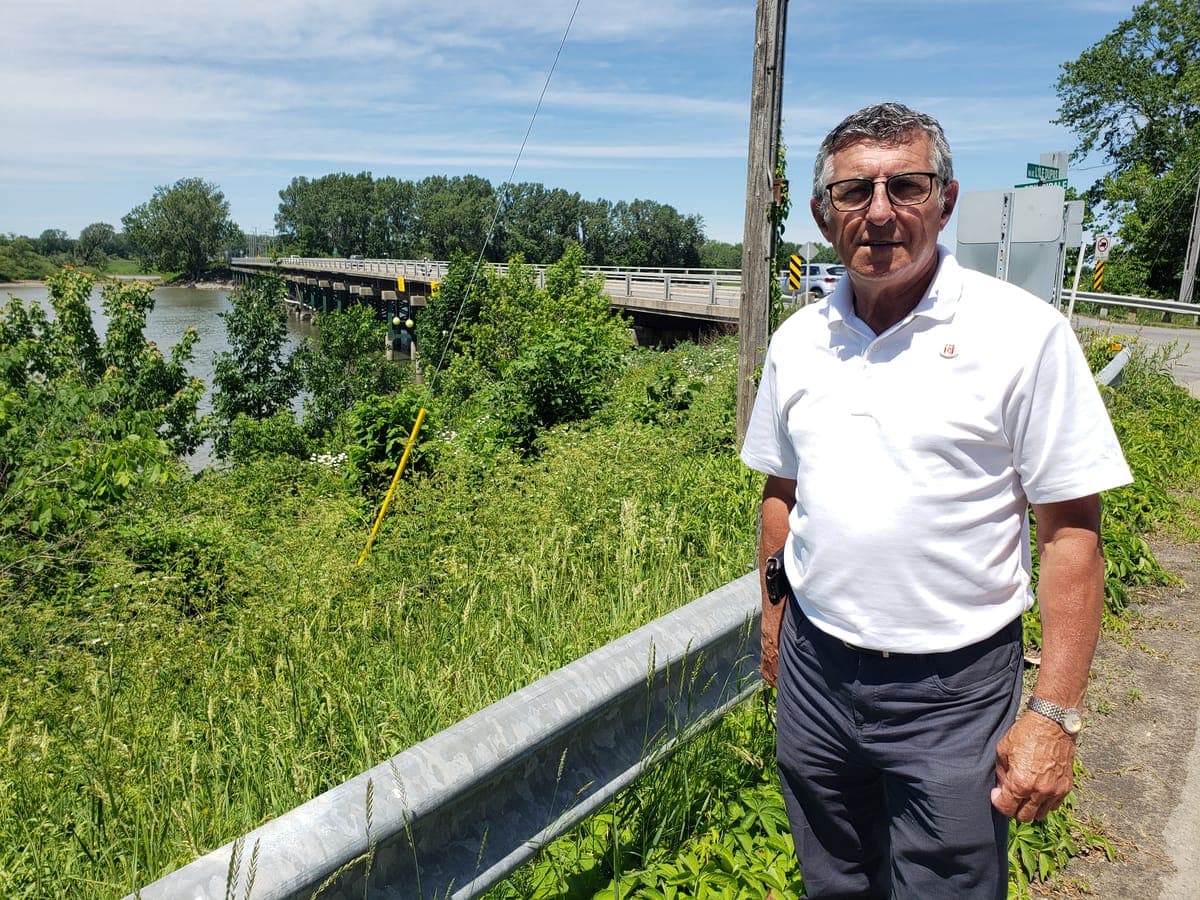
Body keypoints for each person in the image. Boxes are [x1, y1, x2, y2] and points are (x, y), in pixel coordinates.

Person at [740, 102, 1133, 898]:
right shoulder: (797, 342)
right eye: (855, 191)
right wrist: (776, 624)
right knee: (832, 877)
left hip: (954, 688)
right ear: (823, 215)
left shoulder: (1022, 335)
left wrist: (1054, 713)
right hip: (817, 672)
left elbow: (1072, 533)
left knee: (948, 884)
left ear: (945, 200)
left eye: (907, 186)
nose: (880, 211)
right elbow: (782, 492)